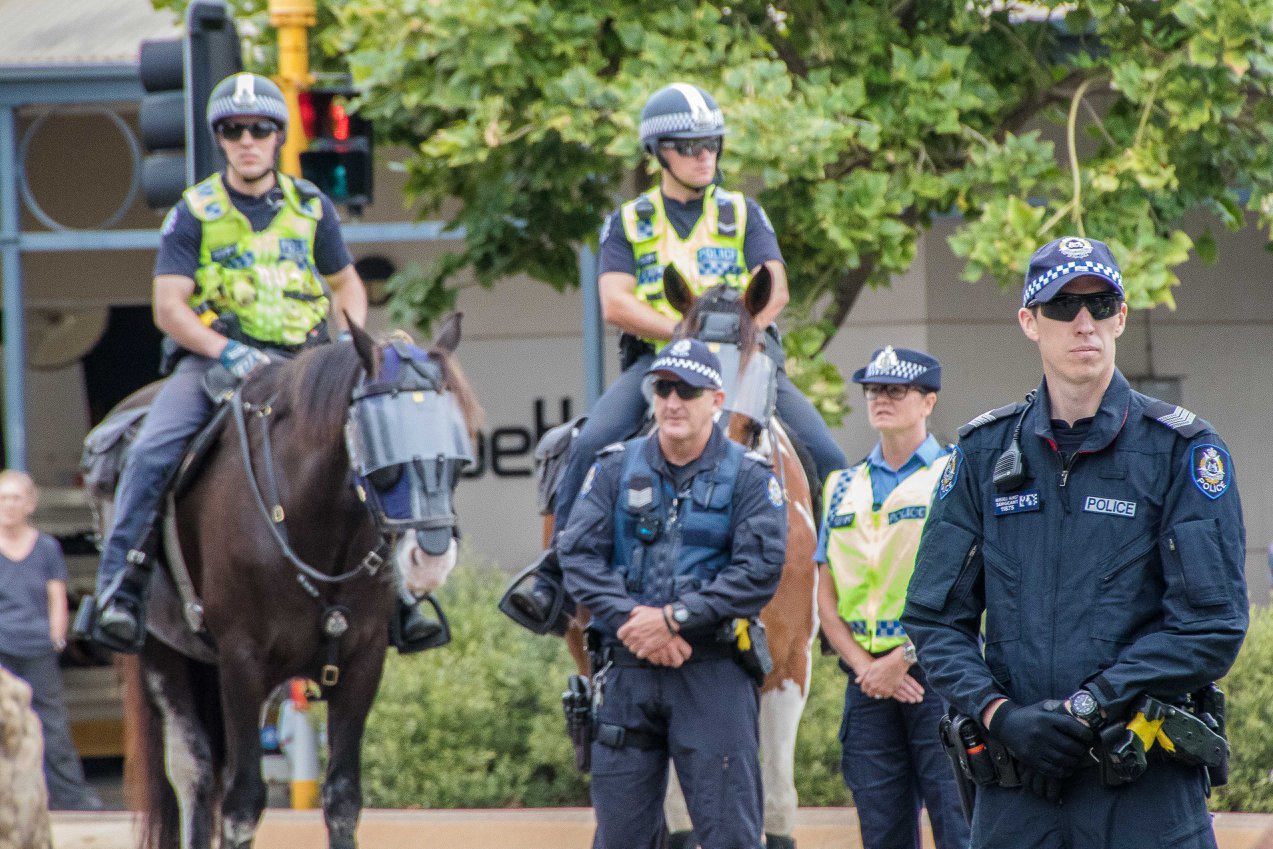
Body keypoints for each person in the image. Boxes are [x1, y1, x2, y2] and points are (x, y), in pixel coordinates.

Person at [901, 236, 1248, 848]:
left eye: (1100, 303)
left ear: (1121, 317)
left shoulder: (1182, 451)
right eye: (1062, 306)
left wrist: (1090, 705)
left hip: (1143, 793)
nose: (1083, 322)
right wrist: (1000, 716)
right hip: (1017, 793)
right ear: (1029, 322)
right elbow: (933, 618)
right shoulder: (983, 453)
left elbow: (1211, 625)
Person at [80, 72, 437, 654]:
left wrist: (346, 344)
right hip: (215, 364)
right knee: (150, 452)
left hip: (305, 364)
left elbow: (347, 284)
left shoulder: (312, 206)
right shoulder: (194, 212)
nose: (247, 140)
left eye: (260, 129)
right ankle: (120, 590)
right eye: (233, 130)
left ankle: (402, 599)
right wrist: (228, 350)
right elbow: (169, 308)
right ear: (219, 139)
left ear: (278, 136)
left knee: (378, 441)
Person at [505, 82, 844, 633]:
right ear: (658, 153)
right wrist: (688, 336)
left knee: (829, 457)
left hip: (745, 361)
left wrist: (731, 339)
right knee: (589, 443)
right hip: (661, 364)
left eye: (712, 144)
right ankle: (554, 577)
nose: (704, 155)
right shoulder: (629, 221)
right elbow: (615, 302)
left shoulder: (743, 213)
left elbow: (776, 289)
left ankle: (838, 593)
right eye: (689, 147)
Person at [560, 339, 787, 849]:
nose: (673, 401)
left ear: (717, 400)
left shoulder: (750, 476)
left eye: (688, 390)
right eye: (663, 388)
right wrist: (633, 621)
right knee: (621, 839)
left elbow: (759, 572)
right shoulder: (614, 467)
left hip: (713, 673)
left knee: (731, 838)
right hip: (627, 672)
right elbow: (577, 555)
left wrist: (672, 619)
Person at [815, 346, 969, 849]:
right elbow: (826, 598)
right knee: (881, 832)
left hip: (940, 675)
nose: (881, 398)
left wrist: (902, 659)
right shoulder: (841, 485)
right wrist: (868, 668)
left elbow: (970, 588)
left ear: (928, 401)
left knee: (958, 824)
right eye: (873, 390)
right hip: (867, 683)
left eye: (895, 389)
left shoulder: (955, 474)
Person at [0, 471, 104, 810]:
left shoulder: (46, 547)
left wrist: (57, 638)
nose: (8, 505)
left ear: (30, 504)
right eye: (3, 498)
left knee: (52, 725)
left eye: (15, 498)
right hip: (2, 648)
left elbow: (56, 597)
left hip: (37, 649)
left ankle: (72, 796)